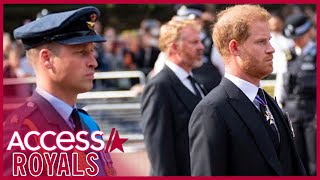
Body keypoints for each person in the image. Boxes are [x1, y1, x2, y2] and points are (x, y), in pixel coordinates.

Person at [189, 5, 306, 175]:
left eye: (269, 40)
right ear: (234, 48)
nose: (271, 49)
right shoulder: (211, 111)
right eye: (261, 42)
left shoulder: (267, 102)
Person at [3, 6, 116, 176]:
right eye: (81, 52)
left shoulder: (88, 123)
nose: (94, 62)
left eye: (92, 51)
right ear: (47, 59)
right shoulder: (21, 134)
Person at [141, 19, 206, 175]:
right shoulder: (159, 86)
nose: (201, 47)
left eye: (200, 42)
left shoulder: (193, 82)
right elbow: (158, 149)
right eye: (194, 42)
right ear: (174, 47)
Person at [281, 14, 316, 176]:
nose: (296, 41)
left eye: (299, 37)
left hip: (313, 114)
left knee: (314, 161)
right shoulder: (287, 55)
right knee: (297, 160)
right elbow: (281, 82)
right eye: (294, 38)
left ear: (308, 31)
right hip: (292, 113)